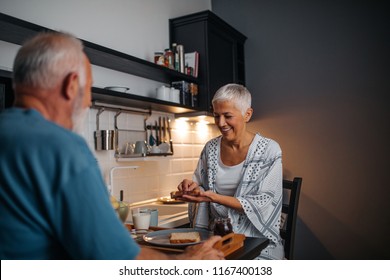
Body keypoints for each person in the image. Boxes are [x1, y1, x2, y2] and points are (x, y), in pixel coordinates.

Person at [0, 32, 224, 260]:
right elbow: (115, 258)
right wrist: (186, 261)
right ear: (71, 85)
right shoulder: (61, 147)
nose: (88, 101)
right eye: (89, 89)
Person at [177, 83, 284, 260]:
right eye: (216, 116)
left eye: (228, 116)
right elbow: (200, 182)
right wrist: (191, 185)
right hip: (217, 240)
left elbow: (263, 202)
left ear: (247, 114)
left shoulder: (270, 150)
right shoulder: (210, 148)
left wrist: (213, 197)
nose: (220, 123)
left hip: (258, 243)